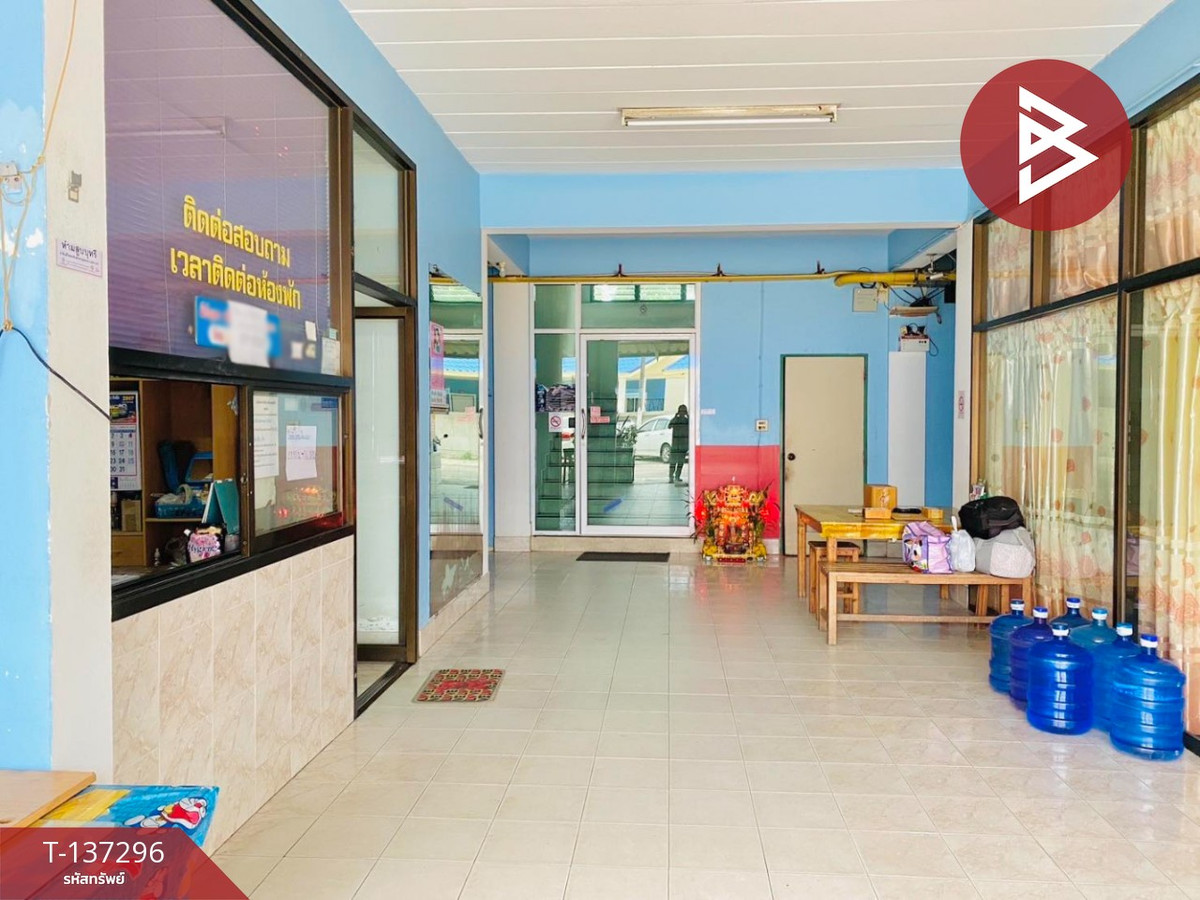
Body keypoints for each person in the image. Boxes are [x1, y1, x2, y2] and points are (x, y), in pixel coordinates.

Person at [668, 404, 689, 483]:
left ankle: (677, 476)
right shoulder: (676, 420)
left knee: (680, 463)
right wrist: (675, 417)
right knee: (673, 462)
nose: (682, 413)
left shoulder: (687, 421)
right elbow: (669, 426)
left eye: (684, 411)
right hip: (676, 445)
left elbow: (693, 425)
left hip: (683, 445)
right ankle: (671, 477)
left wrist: (688, 416)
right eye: (681, 411)